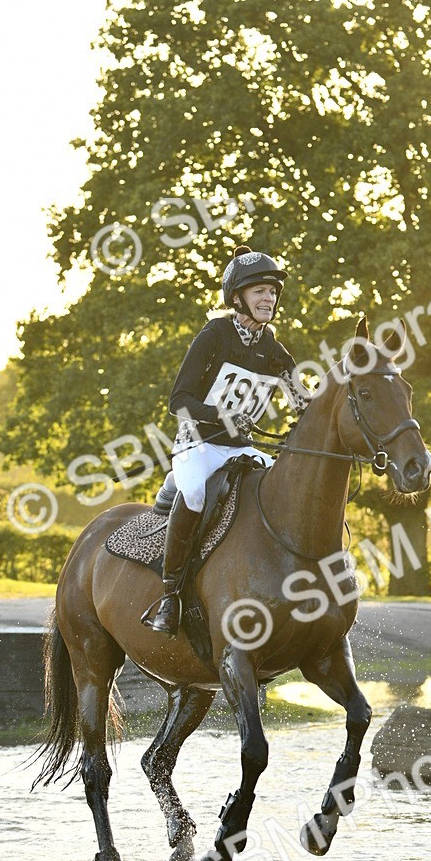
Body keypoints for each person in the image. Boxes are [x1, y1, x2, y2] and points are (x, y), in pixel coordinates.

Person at [141, 245, 311, 637]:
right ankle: (170, 596)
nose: (268, 298)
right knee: (197, 494)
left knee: (285, 490)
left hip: (241, 450)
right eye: (259, 292)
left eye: (272, 292)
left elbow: (304, 402)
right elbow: (178, 402)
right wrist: (223, 416)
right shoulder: (214, 335)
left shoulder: (276, 352)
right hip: (197, 446)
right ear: (238, 298)